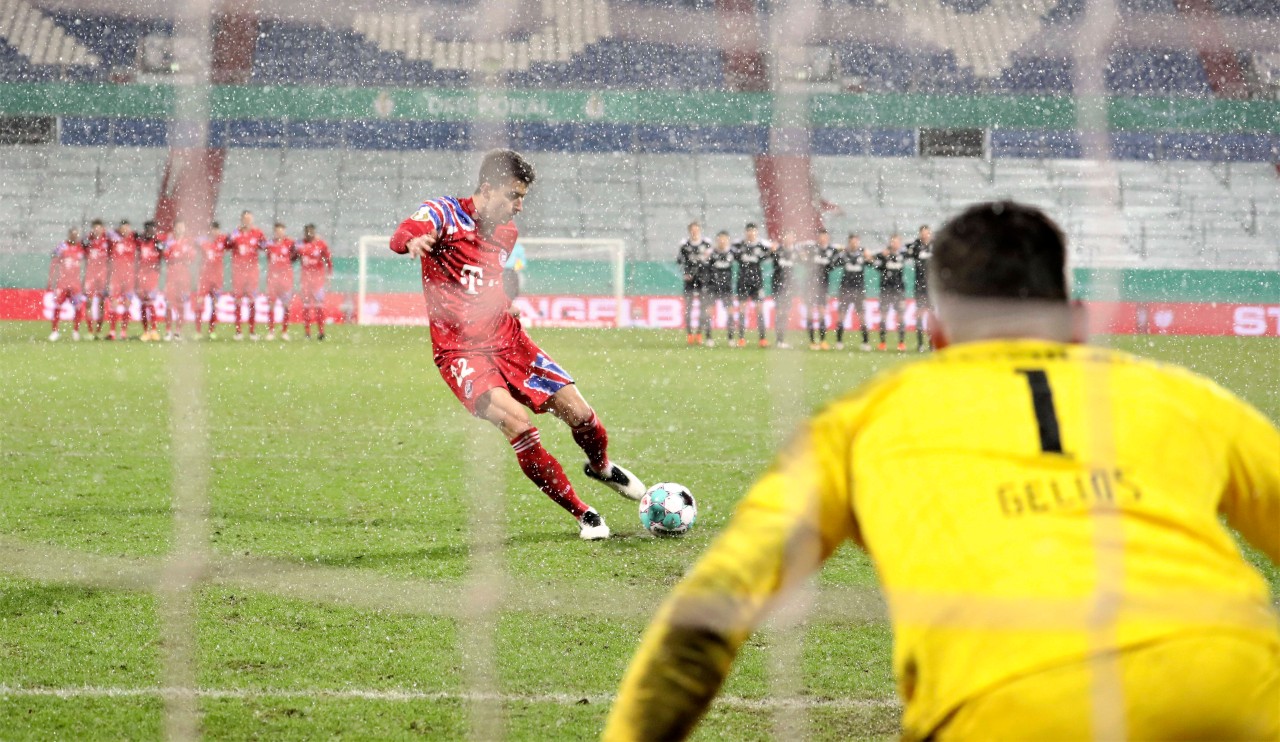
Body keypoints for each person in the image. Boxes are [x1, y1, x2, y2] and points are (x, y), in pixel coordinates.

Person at [604, 201, 1280, 742]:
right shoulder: (1185, 397)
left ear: (936, 333)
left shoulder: (861, 423)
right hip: (1238, 691)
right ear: (1076, 325)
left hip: (1010, 709)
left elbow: (713, 608)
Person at [388, 149, 647, 540]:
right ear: (488, 188)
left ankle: (602, 466)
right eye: (514, 196)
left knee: (580, 413)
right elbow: (403, 233)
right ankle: (584, 514)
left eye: (523, 197)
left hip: (508, 340)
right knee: (519, 426)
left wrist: (501, 303)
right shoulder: (443, 212)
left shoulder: (506, 233)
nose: (520, 207)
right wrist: (412, 242)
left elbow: (483, 278)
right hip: (461, 352)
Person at [226, 210, 266, 340]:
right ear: (242, 220)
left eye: (249, 219)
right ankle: (238, 331)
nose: (247, 222)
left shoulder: (258, 233)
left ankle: (252, 331)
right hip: (238, 273)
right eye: (245, 219)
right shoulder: (235, 233)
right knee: (238, 301)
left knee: (252, 301)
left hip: (252, 273)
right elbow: (226, 245)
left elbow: (266, 247)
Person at [730, 223, 770, 348]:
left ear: (756, 233)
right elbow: (730, 250)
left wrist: (771, 251)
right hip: (743, 282)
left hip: (757, 282)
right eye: (749, 231)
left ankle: (762, 339)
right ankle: (741, 338)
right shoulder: (739, 245)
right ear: (745, 232)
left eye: (753, 231)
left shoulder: (762, 246)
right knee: (742, 310)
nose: (751, 233)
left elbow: (771, 252)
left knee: (760, 310)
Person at [833, 233, 871, 351]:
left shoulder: (863, 254)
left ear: (858, 242)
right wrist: (839, 253)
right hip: (845, 289)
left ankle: (865, 342)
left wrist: (869, 257)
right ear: (849, 242)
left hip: (859, 290)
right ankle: (839, 341)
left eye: (856, 241)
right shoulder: (844, 254)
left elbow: (873, 263)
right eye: (852, 242)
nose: (854, 243)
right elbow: (834, 263)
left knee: (862, 317)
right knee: (841, 316)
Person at [46, 228, 84, 341]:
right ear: (69, 235)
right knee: (57, 306)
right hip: (62, 283)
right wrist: (51, 280)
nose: (74, 237)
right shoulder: (62, 246)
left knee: (78, 307)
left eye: (76, 235)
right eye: (72, 234)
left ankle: (75, 331)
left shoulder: (81, 248)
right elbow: (54, 260)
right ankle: (54, 331)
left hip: (75, 283)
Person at [676, 222, 711, 346]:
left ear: (700, 230)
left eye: (696, 230)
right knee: (689, 308)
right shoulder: (684, 245)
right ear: (689, 231)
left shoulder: (706, 244)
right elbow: (679, 261)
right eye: (692, 230)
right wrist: (685, 273)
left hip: (702, 280)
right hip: (689, 280)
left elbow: (711, 262)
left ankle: (699, 334)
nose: (695, 232)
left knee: (703, 308)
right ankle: (690, 334)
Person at [296, 224, 331, 341]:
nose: (309, 234)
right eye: (307, 232)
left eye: (311, 231)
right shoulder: (300, 244)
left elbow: (328, 261)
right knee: (306, 307)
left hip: (318, 281)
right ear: (305, 233)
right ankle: (307, 333)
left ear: (314, 232)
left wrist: (328, 277)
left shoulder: (321, 244)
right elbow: (292, 257)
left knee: (319, 307)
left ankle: (321, 332)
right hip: (305, 280)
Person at [803, 229, 837, 350]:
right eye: (820, 237)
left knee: (822, 312)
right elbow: (802, 255)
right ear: (817, 238)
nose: (822, 239)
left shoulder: (831, 251)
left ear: (827, 238)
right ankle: (812, 341)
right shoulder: (811, 249)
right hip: (810, 286)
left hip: (823, 286)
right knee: (810, 313)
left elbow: (835, 264)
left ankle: (822, 341)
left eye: (824, 237)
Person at [700, 231, 735, 348]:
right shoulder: (711, 253)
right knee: (708, 312)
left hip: (726, 287)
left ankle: (730, 339)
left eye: (725, 239)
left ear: (728, 240)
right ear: (717, 240)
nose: (722, 241)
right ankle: (709, 338)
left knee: (730, 311)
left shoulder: (732, 253)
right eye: (720, 239)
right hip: (712, 286)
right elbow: (704, 268)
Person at [873, 234, 908, 351]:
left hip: (899, 291)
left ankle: (901, 343)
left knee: (901, 317)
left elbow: (914, 251)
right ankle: (883, 343)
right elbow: (875, 264)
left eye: (897, 242)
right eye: (893, 241)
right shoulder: (884, 255)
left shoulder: (903, 255)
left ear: (900, 244)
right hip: (885, 290)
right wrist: (881, 257)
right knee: (883, 316)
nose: (895, 244)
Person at [264, 222, 296, 341]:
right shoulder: (270, 244)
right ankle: (271, 331)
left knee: (286, 305)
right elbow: (267, 255)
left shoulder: (290, 243)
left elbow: (296, 254)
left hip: (286, 279)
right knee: (271, 305)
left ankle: (284, 331)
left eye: (281, 230)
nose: (279, 233)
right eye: (277, 231)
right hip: (272, 279)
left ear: (284, 231)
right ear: (275, 232)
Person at [163, 221, 195, 341]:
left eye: (182, 227)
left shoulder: (188, 242)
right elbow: (167, 256)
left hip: (184, 278)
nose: (180, 229)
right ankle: (168, 331)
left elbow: (191, 257)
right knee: (169, 304)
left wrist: (177, 257)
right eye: (178, 226)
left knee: (181, 304)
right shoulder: (169, 242)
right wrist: (180, 257)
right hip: (171, 277)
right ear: (174, 228)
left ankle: (178, 331)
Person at [904, 224, 934, 352]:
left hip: (932, 287)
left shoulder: (935, 246)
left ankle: (932, 344)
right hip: (920, 286)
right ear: (919, 234)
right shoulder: (915, 246)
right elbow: (903, 253)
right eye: (922, 233)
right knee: (920, 315)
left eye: (927, 233)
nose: (925, 235)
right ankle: (920, 344)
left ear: (930, 234)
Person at [106, 220, 138, 340]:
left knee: (127, 304)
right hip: (116, 277)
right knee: (114, 304)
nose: (125, 230)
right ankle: (112, 332)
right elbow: (103, 233)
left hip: (129, 277)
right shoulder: (113, 240)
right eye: (123, 228)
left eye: (127, 228)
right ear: (119, 229)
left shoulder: (134, 240)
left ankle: (124, 332)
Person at [768, 230, 800, 349]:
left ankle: (781, 340)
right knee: (780, 312)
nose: (788, 239)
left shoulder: (796, 253)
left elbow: (806, 261)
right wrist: (771, 252)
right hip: (778, 286)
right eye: (786, 237)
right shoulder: (778, 251)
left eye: (791, 237)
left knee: (785, 313)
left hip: (789, 287)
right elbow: (766, 257)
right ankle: (779, 340)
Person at [195, 221, 226, 339]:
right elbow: (193, 242)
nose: (214, 232)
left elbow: (232, 240)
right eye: (212, 230)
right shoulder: (203, 242)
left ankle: (211, 330)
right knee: (199, 304)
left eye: (216, 230)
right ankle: (198, 331)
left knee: (214, 305)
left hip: (217, 279)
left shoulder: (222, 241)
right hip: (204, 278)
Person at [135, 220, 164, 342]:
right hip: (141, 277)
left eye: (153, 230)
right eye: (149, 230)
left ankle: (153, 330)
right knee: (143, 305)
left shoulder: (157, 243)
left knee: (150, 303)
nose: (151, 232)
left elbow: (162, 258)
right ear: (146, 231)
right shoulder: (140, 243)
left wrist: (161, 250)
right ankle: (146, 331)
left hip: (152, 277)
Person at [82, 219, 111, 339]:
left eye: (99, 228)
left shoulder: (108, 241)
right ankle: (90, 331)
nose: (97, 230)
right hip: (90, 276)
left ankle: (98, 331)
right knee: (88, 303)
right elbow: (82, 255)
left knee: (101, 304)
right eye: (95, 228)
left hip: (102, 277)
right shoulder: (88, 241)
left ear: (102, 228)